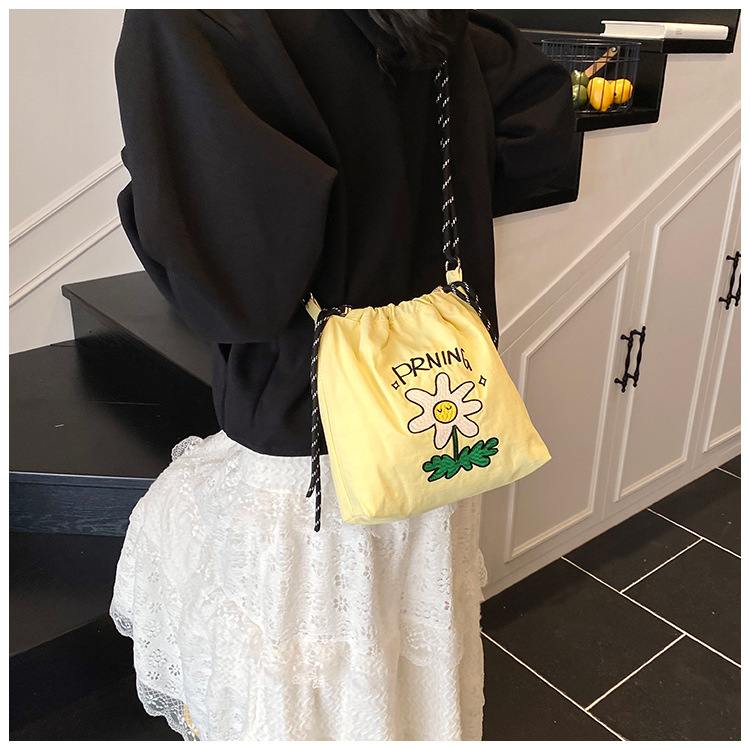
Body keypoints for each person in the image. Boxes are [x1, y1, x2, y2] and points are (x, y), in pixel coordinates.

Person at [109, 9, 574, 741]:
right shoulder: (433, 18)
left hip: (311, 454)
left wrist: (150, 183)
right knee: (407, 661)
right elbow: (539, 131)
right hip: (435, 415)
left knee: (307, 691)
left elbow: (234, 289)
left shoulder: (193, 20)